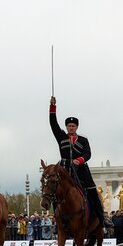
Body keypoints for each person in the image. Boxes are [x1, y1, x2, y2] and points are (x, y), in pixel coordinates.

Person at [46, 96, 111, 228]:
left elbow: (88, 154)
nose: (71, 128)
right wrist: (52, 107)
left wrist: (79, 160)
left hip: (81, 170)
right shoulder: (61, 137)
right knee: (54, 191)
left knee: (93, 191)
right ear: (66, 127)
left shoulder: (83, 140)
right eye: (69, 126)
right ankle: (57, 220)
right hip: (64, 170)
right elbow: (53, 124)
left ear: (76, 127)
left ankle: (102, 218)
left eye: (73, 126)